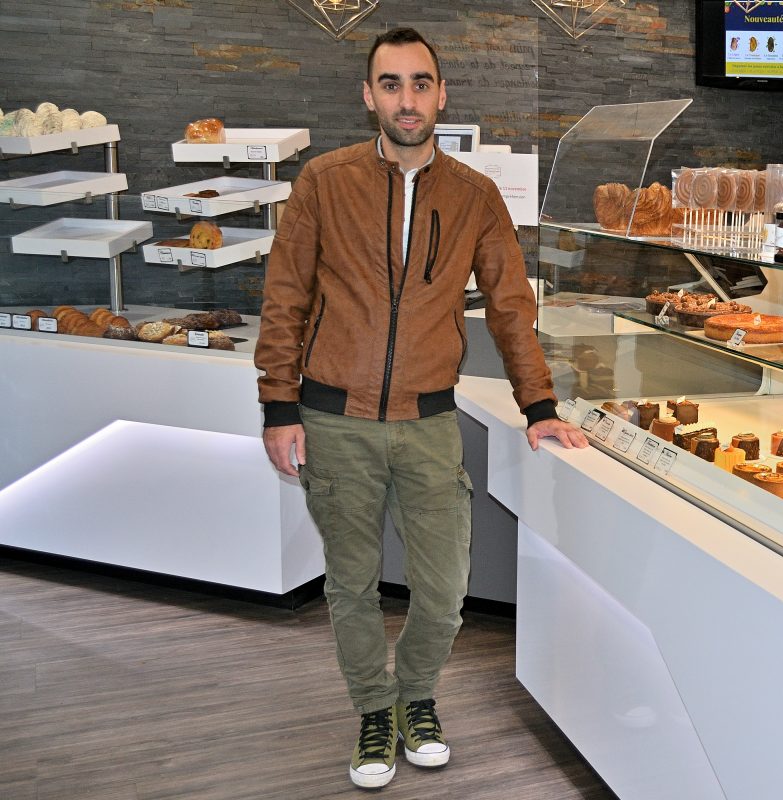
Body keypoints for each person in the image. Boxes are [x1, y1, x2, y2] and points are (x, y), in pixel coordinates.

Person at [254, 27, 587, 790]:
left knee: (442, 592)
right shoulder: (324, 182)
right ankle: (375, 710)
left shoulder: (473, 196)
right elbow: (286, 297)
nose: (408, 99)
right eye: (392, 84)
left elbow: (510, 305)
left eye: (421, 83)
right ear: (368, 95)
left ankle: (416, 698)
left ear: (442, 94)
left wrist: (538, 403)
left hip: (430, 424)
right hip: (334, 420)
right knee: (352, 586)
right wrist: (279, 405)